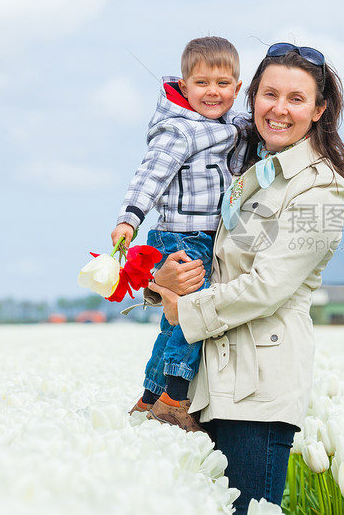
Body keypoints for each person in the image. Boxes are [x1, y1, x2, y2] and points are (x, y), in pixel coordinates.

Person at [148, 42, 344, 512]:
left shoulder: (320, 188)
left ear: (319, 110)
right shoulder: (247, 172)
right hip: (204, 385)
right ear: (253, 98)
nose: (279, 109)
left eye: (296, 99)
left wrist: (186, 308)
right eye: (269, 94)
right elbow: (206, 263)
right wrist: (163, 280)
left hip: (257, 393)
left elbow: (269, 287)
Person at [111, 36, 244, 430]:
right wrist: (129, 218)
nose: (212, 92)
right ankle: (175, 397)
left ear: (237, 89)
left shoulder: (227, 127)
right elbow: (149, 174)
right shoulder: (179, 131)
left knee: (173, 321)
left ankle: (149, 396)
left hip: (200, 234)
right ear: (183, 87)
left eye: (223, 84)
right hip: (183, 237)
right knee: (194, 316)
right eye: (201, 83)